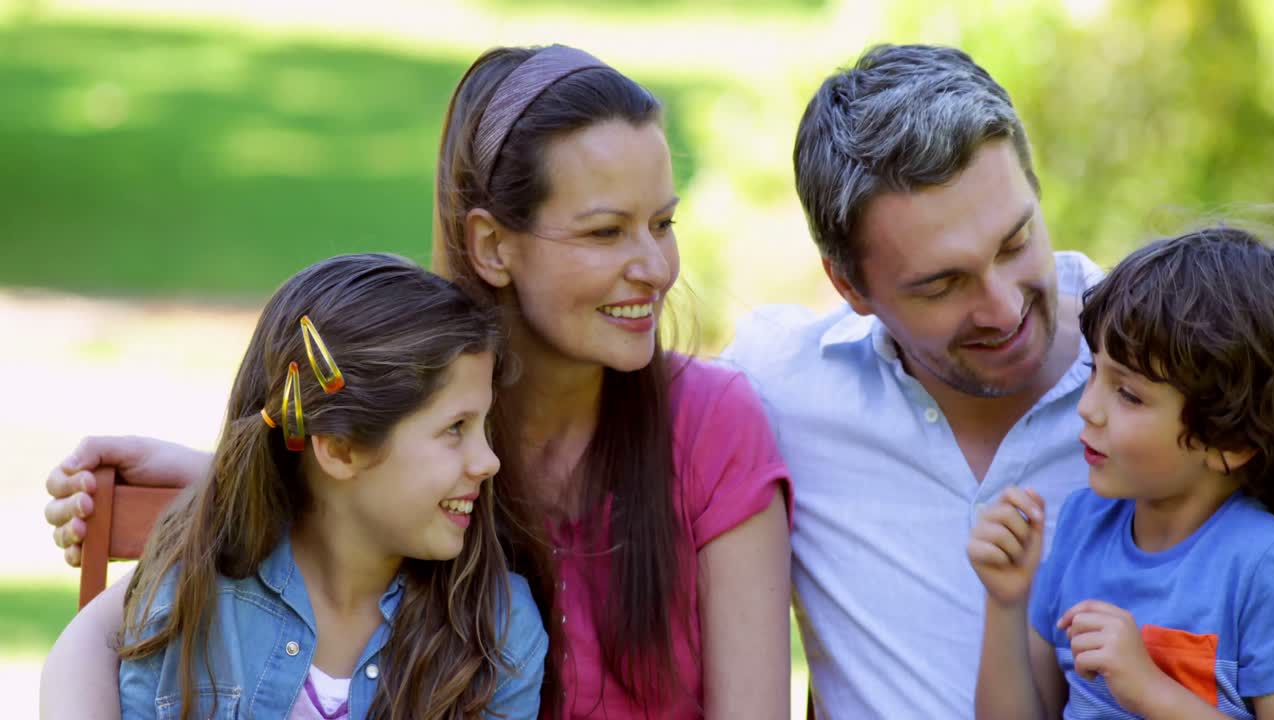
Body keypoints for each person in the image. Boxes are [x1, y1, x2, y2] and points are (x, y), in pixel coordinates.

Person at [42, 44, 792, 720]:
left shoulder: (711, 427)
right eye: (605, 231)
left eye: (663, 224)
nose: (656, 268)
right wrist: (228, 480)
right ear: (491, 245)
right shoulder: (426, 414)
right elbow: (356, 498)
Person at [721, 44, 1100, 717]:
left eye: (1015, 243)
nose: (1003, 309)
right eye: (942, 284)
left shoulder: (1174, 370)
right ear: (849, 286)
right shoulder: (777, 387)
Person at [118, 253, 546, 719]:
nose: (489, 462)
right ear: (340, 449)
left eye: (483, 426)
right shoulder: (189, 597)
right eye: (455, 427)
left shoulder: (497, 635)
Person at [969, 226, 1274, 719]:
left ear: (1229, 443)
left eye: (1129, 394)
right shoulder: (1082, 527)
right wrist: (1005, 602)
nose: (1087, 408)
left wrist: (1148, 690)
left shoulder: (1262, 563)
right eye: (1094, 370)